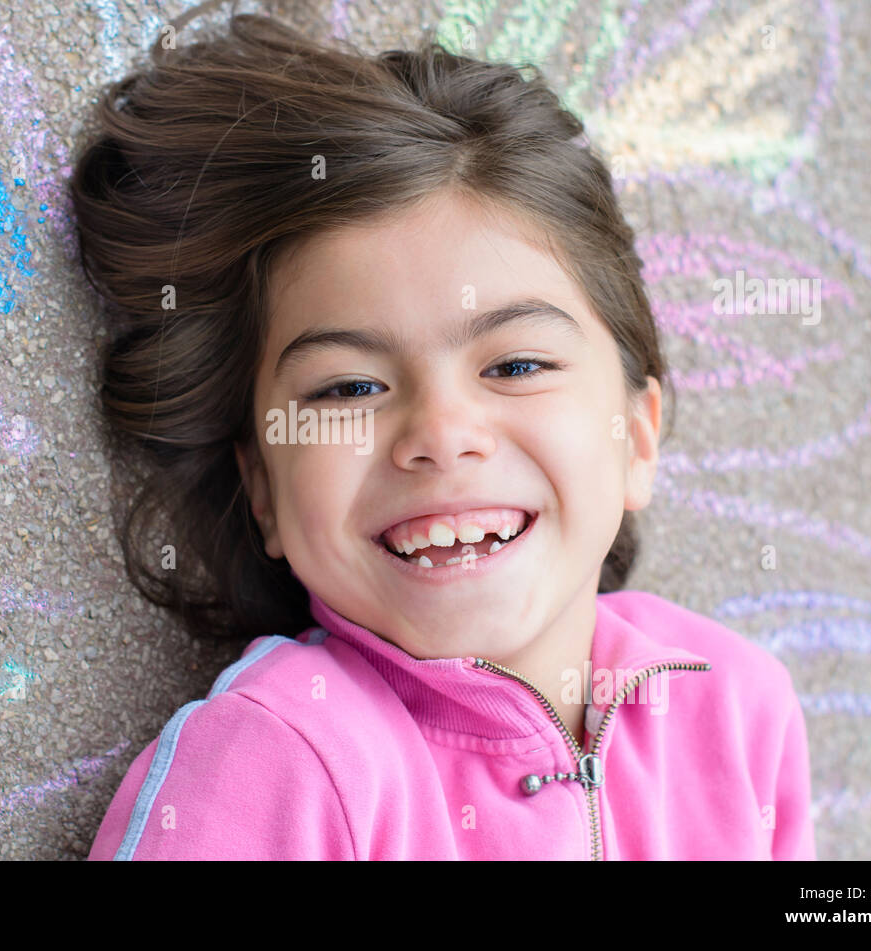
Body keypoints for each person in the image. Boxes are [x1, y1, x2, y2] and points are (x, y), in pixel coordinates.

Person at [70, 10, 815, 860]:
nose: (440, 433)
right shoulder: (278, 761)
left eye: (518, 365)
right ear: (265, 490)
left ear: (637, 438)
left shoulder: (734, 706)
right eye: (349, 387)